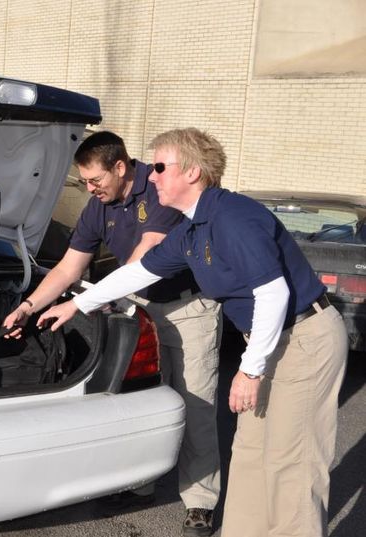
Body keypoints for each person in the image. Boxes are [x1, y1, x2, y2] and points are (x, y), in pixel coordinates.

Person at [36, 128, 348, 537]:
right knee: (251, 454)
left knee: (291, 461)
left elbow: (273, 293)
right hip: (268, 341)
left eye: (161, 167)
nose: (151, 176)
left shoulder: (233, 216)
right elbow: (138, 271)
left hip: (304, 339)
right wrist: (76, 304)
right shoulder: (191, 228)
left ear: (193, 173)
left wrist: (250, 371)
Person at [2, 130, 222, 536]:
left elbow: (144, 257)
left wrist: (84, 302)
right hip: (138, 309)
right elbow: (69, 267)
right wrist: (30, 306)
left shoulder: (158, 188)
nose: (89, 188)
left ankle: (199, 502)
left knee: (196, 407)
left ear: (120, 167)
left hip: (187, 308)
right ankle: (140, 485)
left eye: (95, 180)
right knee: (142, 402)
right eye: (84, 181)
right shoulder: (96, 207)